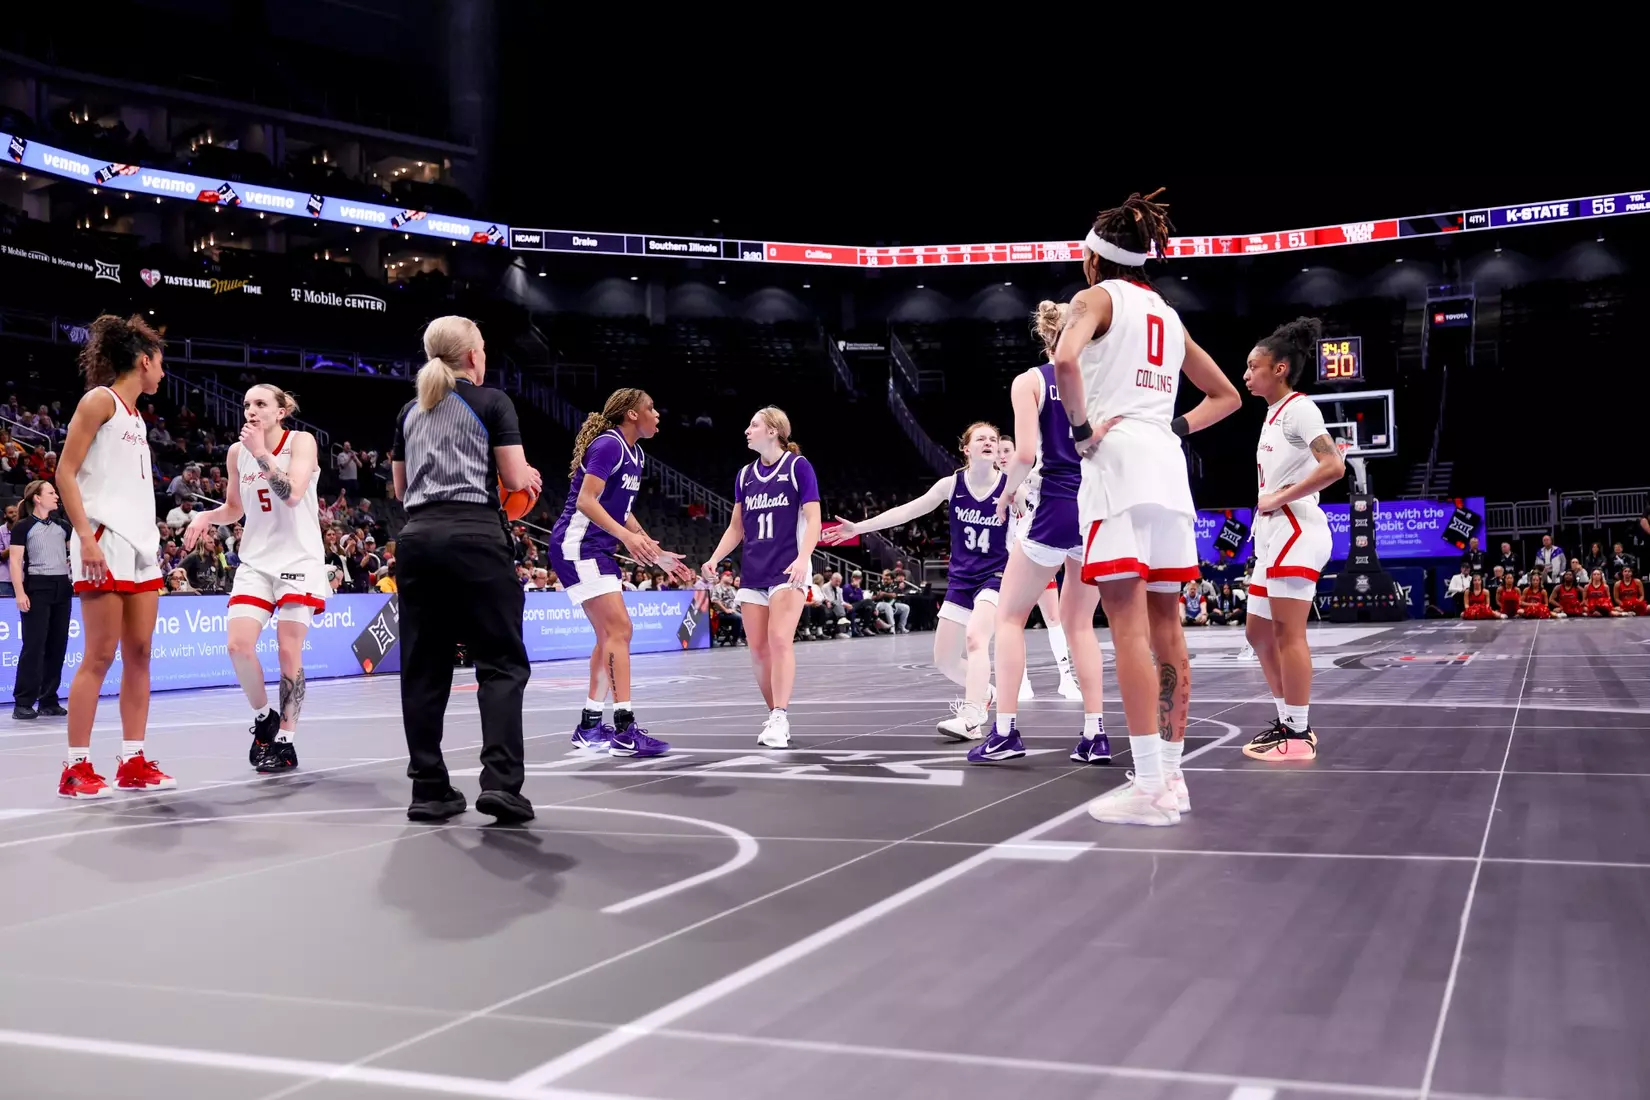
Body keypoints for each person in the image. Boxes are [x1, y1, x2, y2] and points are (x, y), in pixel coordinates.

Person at [1054, 189, 1242, 826]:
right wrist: (1176, 429)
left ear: (1093, 259)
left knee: (1128, 628)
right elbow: (1226, 397)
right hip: (1168, 472)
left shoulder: (1094, 298)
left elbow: (1063, 358)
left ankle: (1150, 785)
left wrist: (1081, 431)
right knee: (1168, 629)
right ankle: (1172, 778)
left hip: (1118, 470)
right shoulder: (1166, 313)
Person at [392, 316, 540, 823]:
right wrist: (531, 479)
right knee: (499, 662)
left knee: (423, 666)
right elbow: (515, 478)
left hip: (417, 540)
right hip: (475, 535)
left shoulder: (409, 411)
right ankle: (501, 784)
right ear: (474, 357)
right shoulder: (492, 401)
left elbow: (398, 489)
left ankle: (429, 790)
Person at [54, 314, 175, 798]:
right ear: (143, 361)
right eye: (160, 364)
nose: (163, 374)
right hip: (102, 540)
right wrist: (84, 536)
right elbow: (65, 472)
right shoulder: (99, 401)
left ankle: (132, 760)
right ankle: (75, 767)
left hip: (142, 546)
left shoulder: (136, 416)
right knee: (101, 654)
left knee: (140, 653)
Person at [826, 422, 1007, 741]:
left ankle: (972, 715)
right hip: (962, 579)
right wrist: (858, 528)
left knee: (976, 640)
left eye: (993, 439)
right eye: (981, 438)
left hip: (997, 576)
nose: (989, 442)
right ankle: (985, 692)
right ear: (966, 448)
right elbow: (906, 512)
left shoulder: (1011, 486)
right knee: (945, 660)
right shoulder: (952, 485)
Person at [184, 384, 325, 773]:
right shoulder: (235, 453)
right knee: (237, 646)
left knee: (287, 651)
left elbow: (292, 494)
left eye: (260, 404)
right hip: (257, 563)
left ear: (281, 411)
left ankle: (286, 740)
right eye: (246, 405)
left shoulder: (301, 442)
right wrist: (204, 516)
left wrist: (262, 453)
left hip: (299, 560)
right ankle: (264, 717)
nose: (250, 411)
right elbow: (233, 508)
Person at [549, 388, 687, 757]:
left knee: (608, 636)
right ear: (630, 414)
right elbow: (585, 500)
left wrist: (653, 552)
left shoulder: (636, 454)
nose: (657, 414)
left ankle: (590, 727)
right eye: (651, 407)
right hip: (578, 546)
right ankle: (625, 730)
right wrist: (626, 538)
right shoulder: (608, 445)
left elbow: (622, 509)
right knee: (620, 630)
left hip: (598, 548)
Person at [1237, 318, 1345, 762]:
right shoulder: (1273, 415)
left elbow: (1333, 465)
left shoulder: (1300, 408)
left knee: (1288, 633)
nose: (1245, 374)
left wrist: (1278, 496)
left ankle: (1298, 736)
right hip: (1275, 532)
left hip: (1296, 529)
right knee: (1257, 632)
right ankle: (1287, 721)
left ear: (1279, 369)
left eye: (1252, 366)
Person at [702, 407, 821, 748]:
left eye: (753, 424)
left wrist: (803, 558)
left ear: (773, 431)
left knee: (780, 639)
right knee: (757, 650)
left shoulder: (798, 467)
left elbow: (814, 519)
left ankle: (781, 715)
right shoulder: (744, 475)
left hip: (788, 568)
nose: (747, 430)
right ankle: (775, 716)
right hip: (754, 570)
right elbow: (736, 527)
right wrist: (713, 559)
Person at [997, 423, 1083, 706]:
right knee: (1011, 623)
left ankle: (1066, 678)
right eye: (998, 452)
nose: (1002, 455)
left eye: (1006, 450)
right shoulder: (994, 485)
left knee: (1054, 618)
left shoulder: (1030, 480)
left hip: (1035, 555)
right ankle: (1022, 683)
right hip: (1004, 563)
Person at [8, 479, 73, 720]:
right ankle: (23, 702)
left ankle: (48, 699)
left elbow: (75, 553)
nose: (56, 496)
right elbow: (15, 561)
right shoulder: (23, 527)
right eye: (51, 492)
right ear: (37, 497)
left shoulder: (63, 526)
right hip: (37, 587)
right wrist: (20, 592)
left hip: (62, 588)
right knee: (34, 647)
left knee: (57, 646)